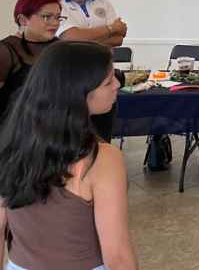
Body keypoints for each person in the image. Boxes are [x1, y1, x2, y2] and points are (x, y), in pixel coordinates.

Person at [0, 40, 136, 270]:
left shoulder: (10, 144)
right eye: (108, 81)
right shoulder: (102, 158)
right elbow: (118, 256)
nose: (116, 85)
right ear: (77, 94)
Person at [57, 0, 127, 143]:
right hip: (71, 82)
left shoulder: (102, 2)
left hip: (103, 78)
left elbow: (119, 38)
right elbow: (70, 37)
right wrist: (110, 28)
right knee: (73, 137)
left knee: (102, 136)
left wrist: (84, 40)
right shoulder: (55, 4)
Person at [0, 0, 63, 121]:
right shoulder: (5, 50)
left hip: (55, 124)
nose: (55, 23)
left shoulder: (61, 46)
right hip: (14, 128)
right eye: (47, 17)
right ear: (23, 20)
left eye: (58, 17)